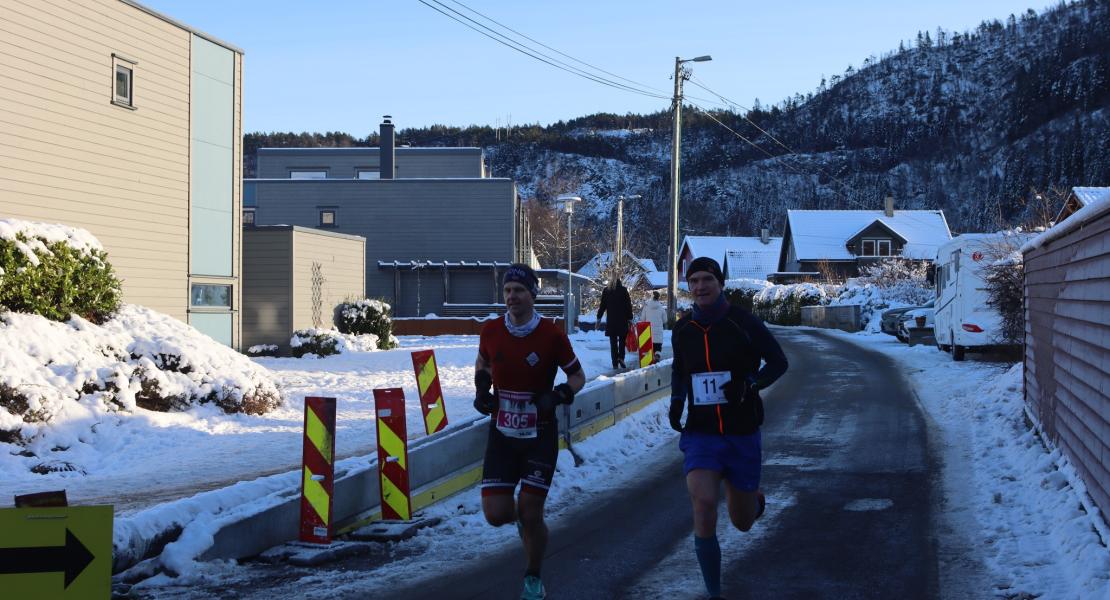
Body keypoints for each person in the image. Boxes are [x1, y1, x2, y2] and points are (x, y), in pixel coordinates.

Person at [668, 257, 788, 600]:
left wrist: (749, 383)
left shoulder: (743, 322)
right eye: (694, 281)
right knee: (704, 503)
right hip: (701, 433)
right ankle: (714, 592)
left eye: (707, 279)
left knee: (742, 521)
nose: (700, 287)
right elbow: (679, 370)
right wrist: (677, 401)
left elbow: (779, 362)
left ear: (720, 283)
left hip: (741, 430)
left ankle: (754, 500)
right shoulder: (683, 328)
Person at [473, 263, 586, 600]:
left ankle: (533, 576)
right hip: (503, 433)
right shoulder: (491, 331)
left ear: (532, 295)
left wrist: (559, 395)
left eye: (519, 290)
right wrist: (482, 388)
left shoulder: (552, 335)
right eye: (508, 291)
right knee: (496, 514)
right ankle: (526, 525)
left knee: (531, 510)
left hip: (541, 433)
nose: (512, 297)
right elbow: (484, 363)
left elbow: (577, 376)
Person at [596, 277, 633, 369]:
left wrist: (599, 317)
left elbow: (602, 306)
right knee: (622, 340)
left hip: (611, 321)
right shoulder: (624, 290)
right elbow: (628, 305)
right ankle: (621, 357)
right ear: (620, 283)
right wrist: (630, 318)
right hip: (622, 320)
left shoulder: (606, 291)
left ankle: (615, 363)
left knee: (613, 342)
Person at [639, 290, 667, 362]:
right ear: (658, 298)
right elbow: (665, 320)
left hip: (648, 331)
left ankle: (648, 358)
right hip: (658, 331)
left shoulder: (646, 307)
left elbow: (642, 319)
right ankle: (657, 355)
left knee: (649, 346)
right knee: (658, 347)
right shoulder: (661, 308)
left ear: (651, 297)